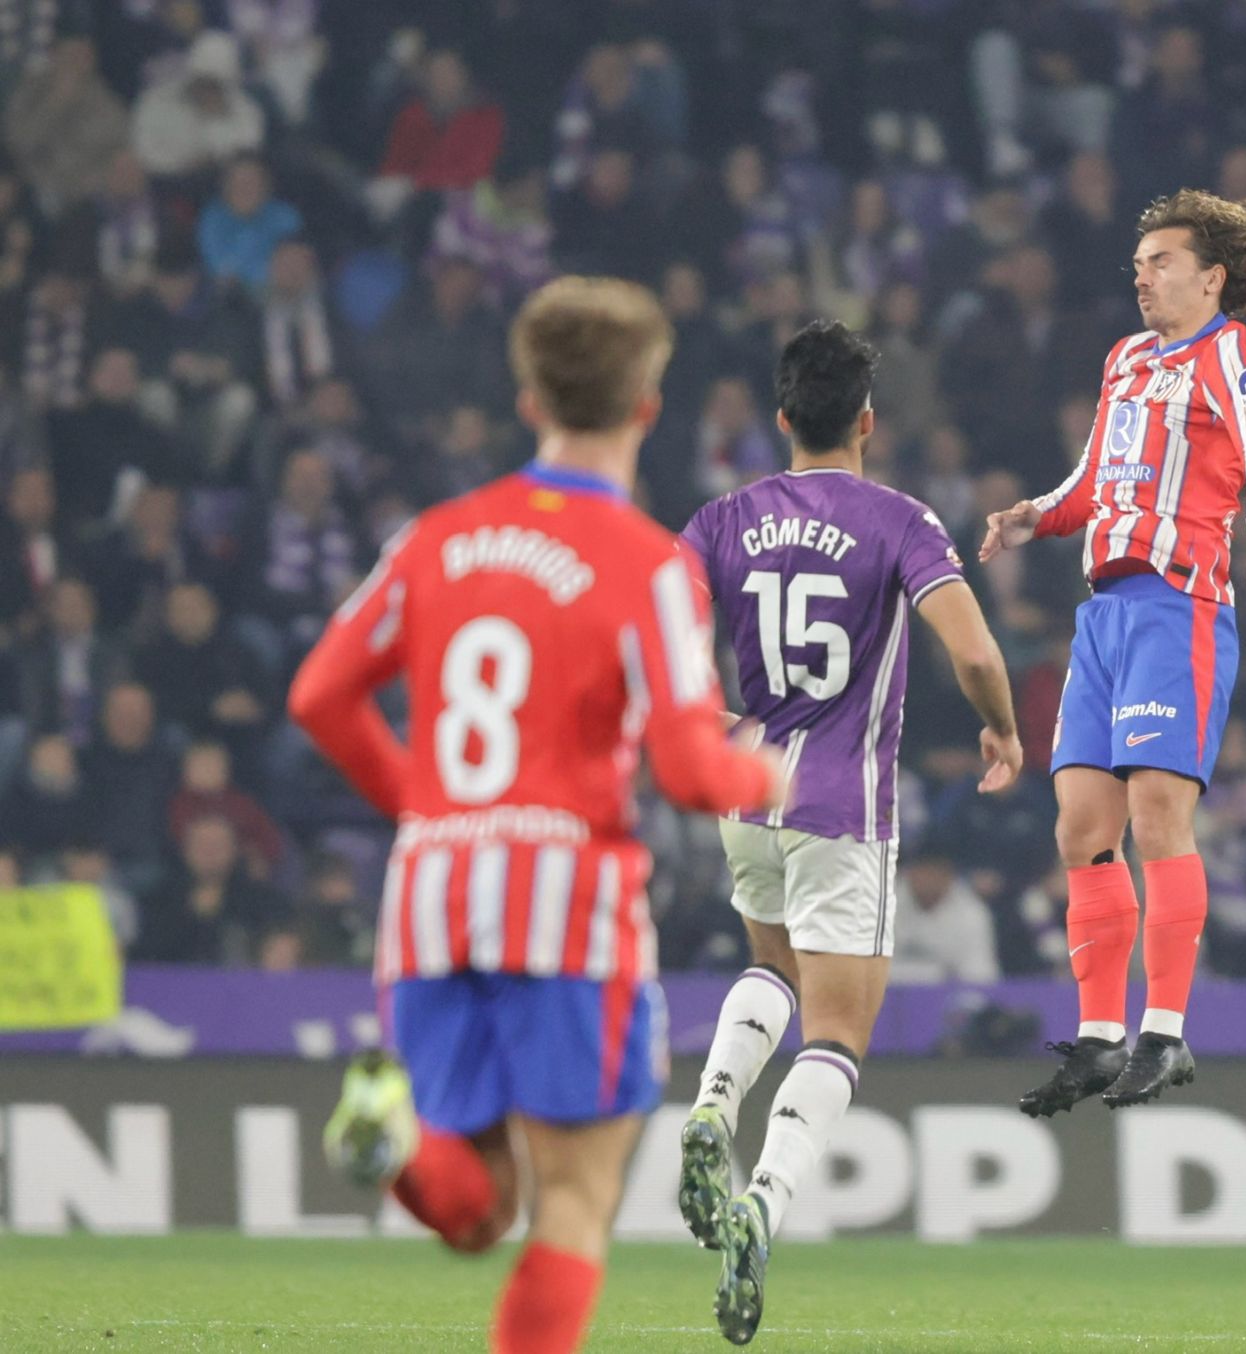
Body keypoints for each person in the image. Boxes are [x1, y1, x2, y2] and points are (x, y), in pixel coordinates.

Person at [286, 277, 784, 1354]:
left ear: (528, 401)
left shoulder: (436, 537)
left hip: (430, 891)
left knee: (480, 1209)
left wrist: (425, 805)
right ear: (648, 406)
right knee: (576, 1195)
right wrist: (765, 776)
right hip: (569, 900)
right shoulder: (648, 562)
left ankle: (390, 1144)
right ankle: (397, 1145)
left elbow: (319, 695)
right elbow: (693, 774)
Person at [678, 320, 1020, 1344]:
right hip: (843, 803)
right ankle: (762, 1206)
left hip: (749, 787)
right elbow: (972, 647)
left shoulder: (721, 518)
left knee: (768, 967)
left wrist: (710, 721)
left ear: (781, 419)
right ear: (867, 419)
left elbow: (648, 636)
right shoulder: (900, 521)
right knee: (837, 1031)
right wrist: (1003, 727)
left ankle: (709, 1104)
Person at [979, 188, 1246, 1113]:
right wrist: (1036, 514)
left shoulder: (1226, 352)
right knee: (1081, 827)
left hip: (1180, 607)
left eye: (1161, 262)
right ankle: (1099, 1037)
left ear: (1211, 279)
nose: (1143, 276)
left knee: (1158, 817)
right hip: (1106, 616)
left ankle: (1167, 1031)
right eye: (1138, 263)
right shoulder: (1126, 360)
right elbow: (1095, 476)